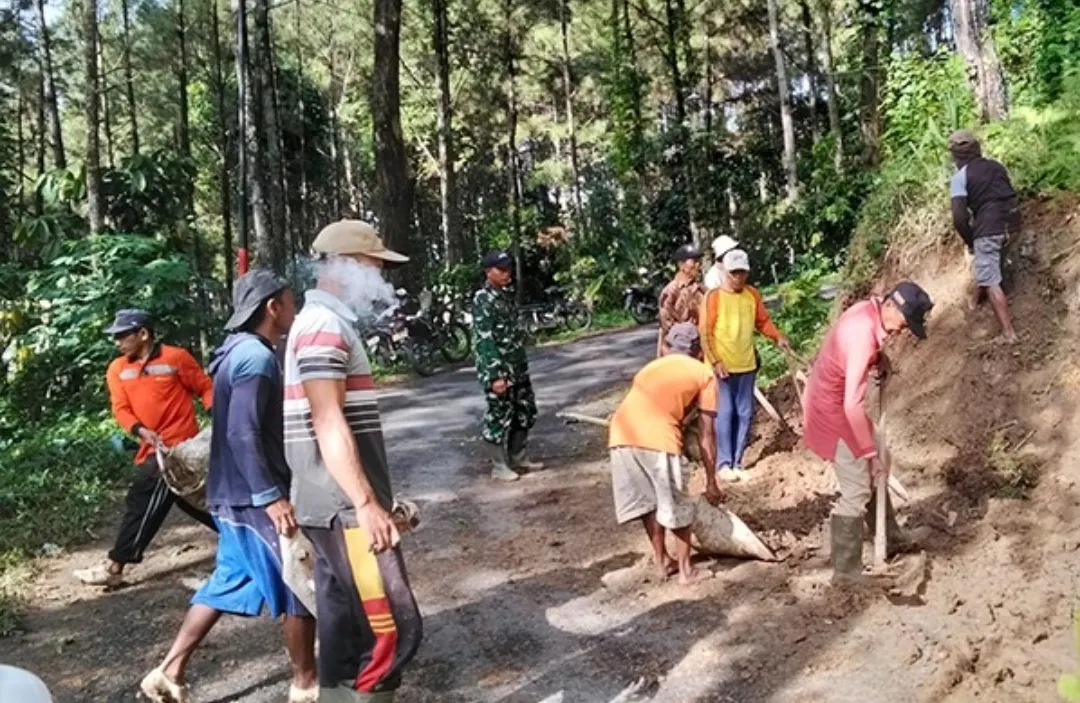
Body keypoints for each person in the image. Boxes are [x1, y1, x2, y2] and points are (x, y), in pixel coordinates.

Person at [139, 271, 316, 703]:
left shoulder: (236, 350)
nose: (295, 310)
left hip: (231, 493)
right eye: (291, 302)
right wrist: (271, 496)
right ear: (272, 307)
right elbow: (241, 432)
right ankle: (306, 685)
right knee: (299, 581)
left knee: (229, 581)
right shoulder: (255, 359)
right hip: (253, 497)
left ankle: (169, 672)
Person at [284, 220, 422, 702]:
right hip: (343, 509)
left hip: (331, 506)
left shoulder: (321, 322)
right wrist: (364, 503)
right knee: (386, 634)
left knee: (343, 627)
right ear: (345, 265)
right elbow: (327, 419)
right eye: (375, 266)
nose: (381, 277)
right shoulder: (323, 327)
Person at [801, 281, 934, 584]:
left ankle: (889, 535)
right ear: (890, 306)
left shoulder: (868, 312)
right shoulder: (862, 333)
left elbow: (852, 356)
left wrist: (879, 358)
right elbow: (852, 404)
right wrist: (868, 453)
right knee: (857, 487)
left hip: (836, 404)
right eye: (904, 323)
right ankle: (846, 572)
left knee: (881, 461)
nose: (902, 331)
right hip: (831, 412)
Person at [74, 309, 216, 588]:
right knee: (194, 502)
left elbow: (205, 387)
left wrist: (216, 415)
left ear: (143, 334)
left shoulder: (176, 358)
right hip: (151, 448)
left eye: (122, 336)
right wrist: (140, 430)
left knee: (142, 498)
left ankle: (115, 566)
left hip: (181, 449)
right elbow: (120, 409)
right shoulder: (117, 369)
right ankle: (251, 539)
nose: (117, 342)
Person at [608, 322, 722, 586]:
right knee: (678, 505)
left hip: (621, 434)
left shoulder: (650, 367)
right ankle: (686, 572)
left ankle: (662, 562)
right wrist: (711, 481)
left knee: (648, 503)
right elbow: (707, 434)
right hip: (658, 438)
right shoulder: (703, 373)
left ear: (668, 347)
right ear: (698, 351)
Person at [698, 249, 789, 482]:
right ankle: (724, 463)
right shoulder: (713, 297)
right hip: (723, 367)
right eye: (734, 273)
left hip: (747, 364)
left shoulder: (752, 295)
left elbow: (762, 321)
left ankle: (737, 462)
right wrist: (716, 361)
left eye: (742, 273)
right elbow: (706, 333)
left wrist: (777, 336)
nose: (738, 277)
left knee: (745, 414)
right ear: (725, 272)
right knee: (726, 413)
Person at [472, 250, 542, 482]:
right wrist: (494, 376)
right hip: (498, 368)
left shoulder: (506, 295)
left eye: (508, 269)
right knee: (499, 415)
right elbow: (485, 339)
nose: (507, 273)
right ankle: (499, 466)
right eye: (501, 270)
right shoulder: (483, 299)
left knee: (525, 410)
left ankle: (518, 457)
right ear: (488, 271)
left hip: (516, 366)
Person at [948, 129, 1020, 343]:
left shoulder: (960, 178)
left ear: (955, 156)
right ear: (978, 148)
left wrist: (971, 241)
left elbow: (959, 218)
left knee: (990, 278)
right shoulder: (997, 166)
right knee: (988, 262)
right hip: (1014, 223)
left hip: (989, 229)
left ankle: (1008, 334)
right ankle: (974, 300)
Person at [657, 244, 706, 355]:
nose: (698, 265)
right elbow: (667, 324)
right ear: (681, 265)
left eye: (699, 261)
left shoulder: (701, 289)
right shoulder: (671, 291)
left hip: (701, 348)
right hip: (679, 348)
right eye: (694, 261)